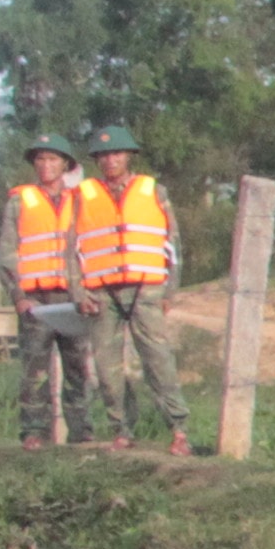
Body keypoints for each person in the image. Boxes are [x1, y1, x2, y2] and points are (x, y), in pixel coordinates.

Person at [73, 126, 188, 453]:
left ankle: (178, 429)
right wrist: (78, 291)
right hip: (101, 293)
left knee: (158, 360)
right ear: (97, 160)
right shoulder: (83, 195)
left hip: (146, 287)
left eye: (117, 153)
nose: (111, 160)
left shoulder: (155, 191)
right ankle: (121, 429)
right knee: (107, 369)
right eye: (104, 155)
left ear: (130, 156)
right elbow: (72, 248)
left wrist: (170, 290)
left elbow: (172, 243)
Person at [3, 132, 86, 448]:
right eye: (40, 159)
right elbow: (8, 251)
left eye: (52, 159)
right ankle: (33, 432)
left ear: (65, 164)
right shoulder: (19, 201)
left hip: (73, 297)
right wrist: (19, 295)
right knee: (34, 371)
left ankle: (81, 432)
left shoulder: (79, 201)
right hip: (35, 299)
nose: (46, 165)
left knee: (78, 369)